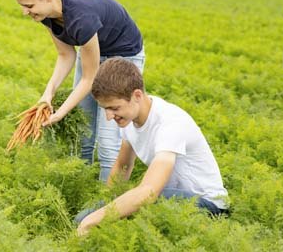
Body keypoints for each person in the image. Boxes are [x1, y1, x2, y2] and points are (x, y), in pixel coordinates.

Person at [10, 0, 145, 181]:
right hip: (91, 49)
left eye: (29, 6)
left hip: (122, 57)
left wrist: (61, 112)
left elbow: (89, 79)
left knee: (108, 141)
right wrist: (47, 95)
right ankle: (82, 187)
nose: (25, 12)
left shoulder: (81, 17)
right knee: (83, 132)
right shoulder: (47, 14)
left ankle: (108, 204)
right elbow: (66, 55)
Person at [75, 57, 229, 235]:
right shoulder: (130, 118)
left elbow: (148, 192)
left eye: (114, 108)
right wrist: (104, 205)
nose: (109, 116)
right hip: (167, 197)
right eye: (105, 109)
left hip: (206, 205)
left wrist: (96, 219)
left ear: (137, 96)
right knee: (82, 219)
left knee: (129, 212)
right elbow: (122, 166)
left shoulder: (170, 123)